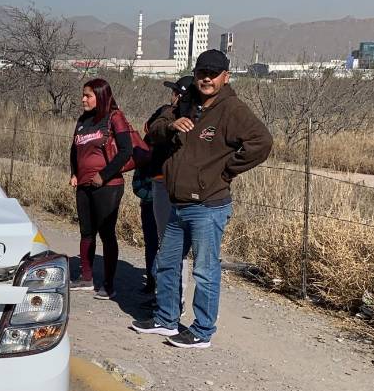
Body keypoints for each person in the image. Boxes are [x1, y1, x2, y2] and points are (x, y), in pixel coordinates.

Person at [131, 50, 273, 348]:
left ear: (226, 77)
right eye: (201, 72)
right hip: (177, 203)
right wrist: (172, 125)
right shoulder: (185, 101)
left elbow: (262, 142)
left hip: (208, 206)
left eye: (213, 73)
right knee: (167, 263)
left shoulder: (232, 109)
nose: (206, 78)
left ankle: (203, 330)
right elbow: (154, 130)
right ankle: (166, 319)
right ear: (195, 73)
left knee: (205, 271)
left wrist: (224, 171)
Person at [68, 78, 134, 300]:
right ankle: (86, 278)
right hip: (84, 185)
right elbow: (74, 149)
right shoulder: (83, 120)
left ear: (101, 96)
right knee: (86, 232)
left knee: (106, 233)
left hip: (108, 186)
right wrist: (74, 173)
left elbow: (126, 150)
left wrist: (103, 176)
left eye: (88, 95)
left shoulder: (115, 117)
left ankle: (108, 284)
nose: (83, 99)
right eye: (83, 95)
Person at [136, 75, 195, 298]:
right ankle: (161, 295)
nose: (173, 97)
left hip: (174, 186)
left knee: (174, 247)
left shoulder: (193, 120)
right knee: (162, 243)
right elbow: (151, 129)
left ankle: (172, 299)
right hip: (158, 183)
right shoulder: (166, 112)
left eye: (176, 93)